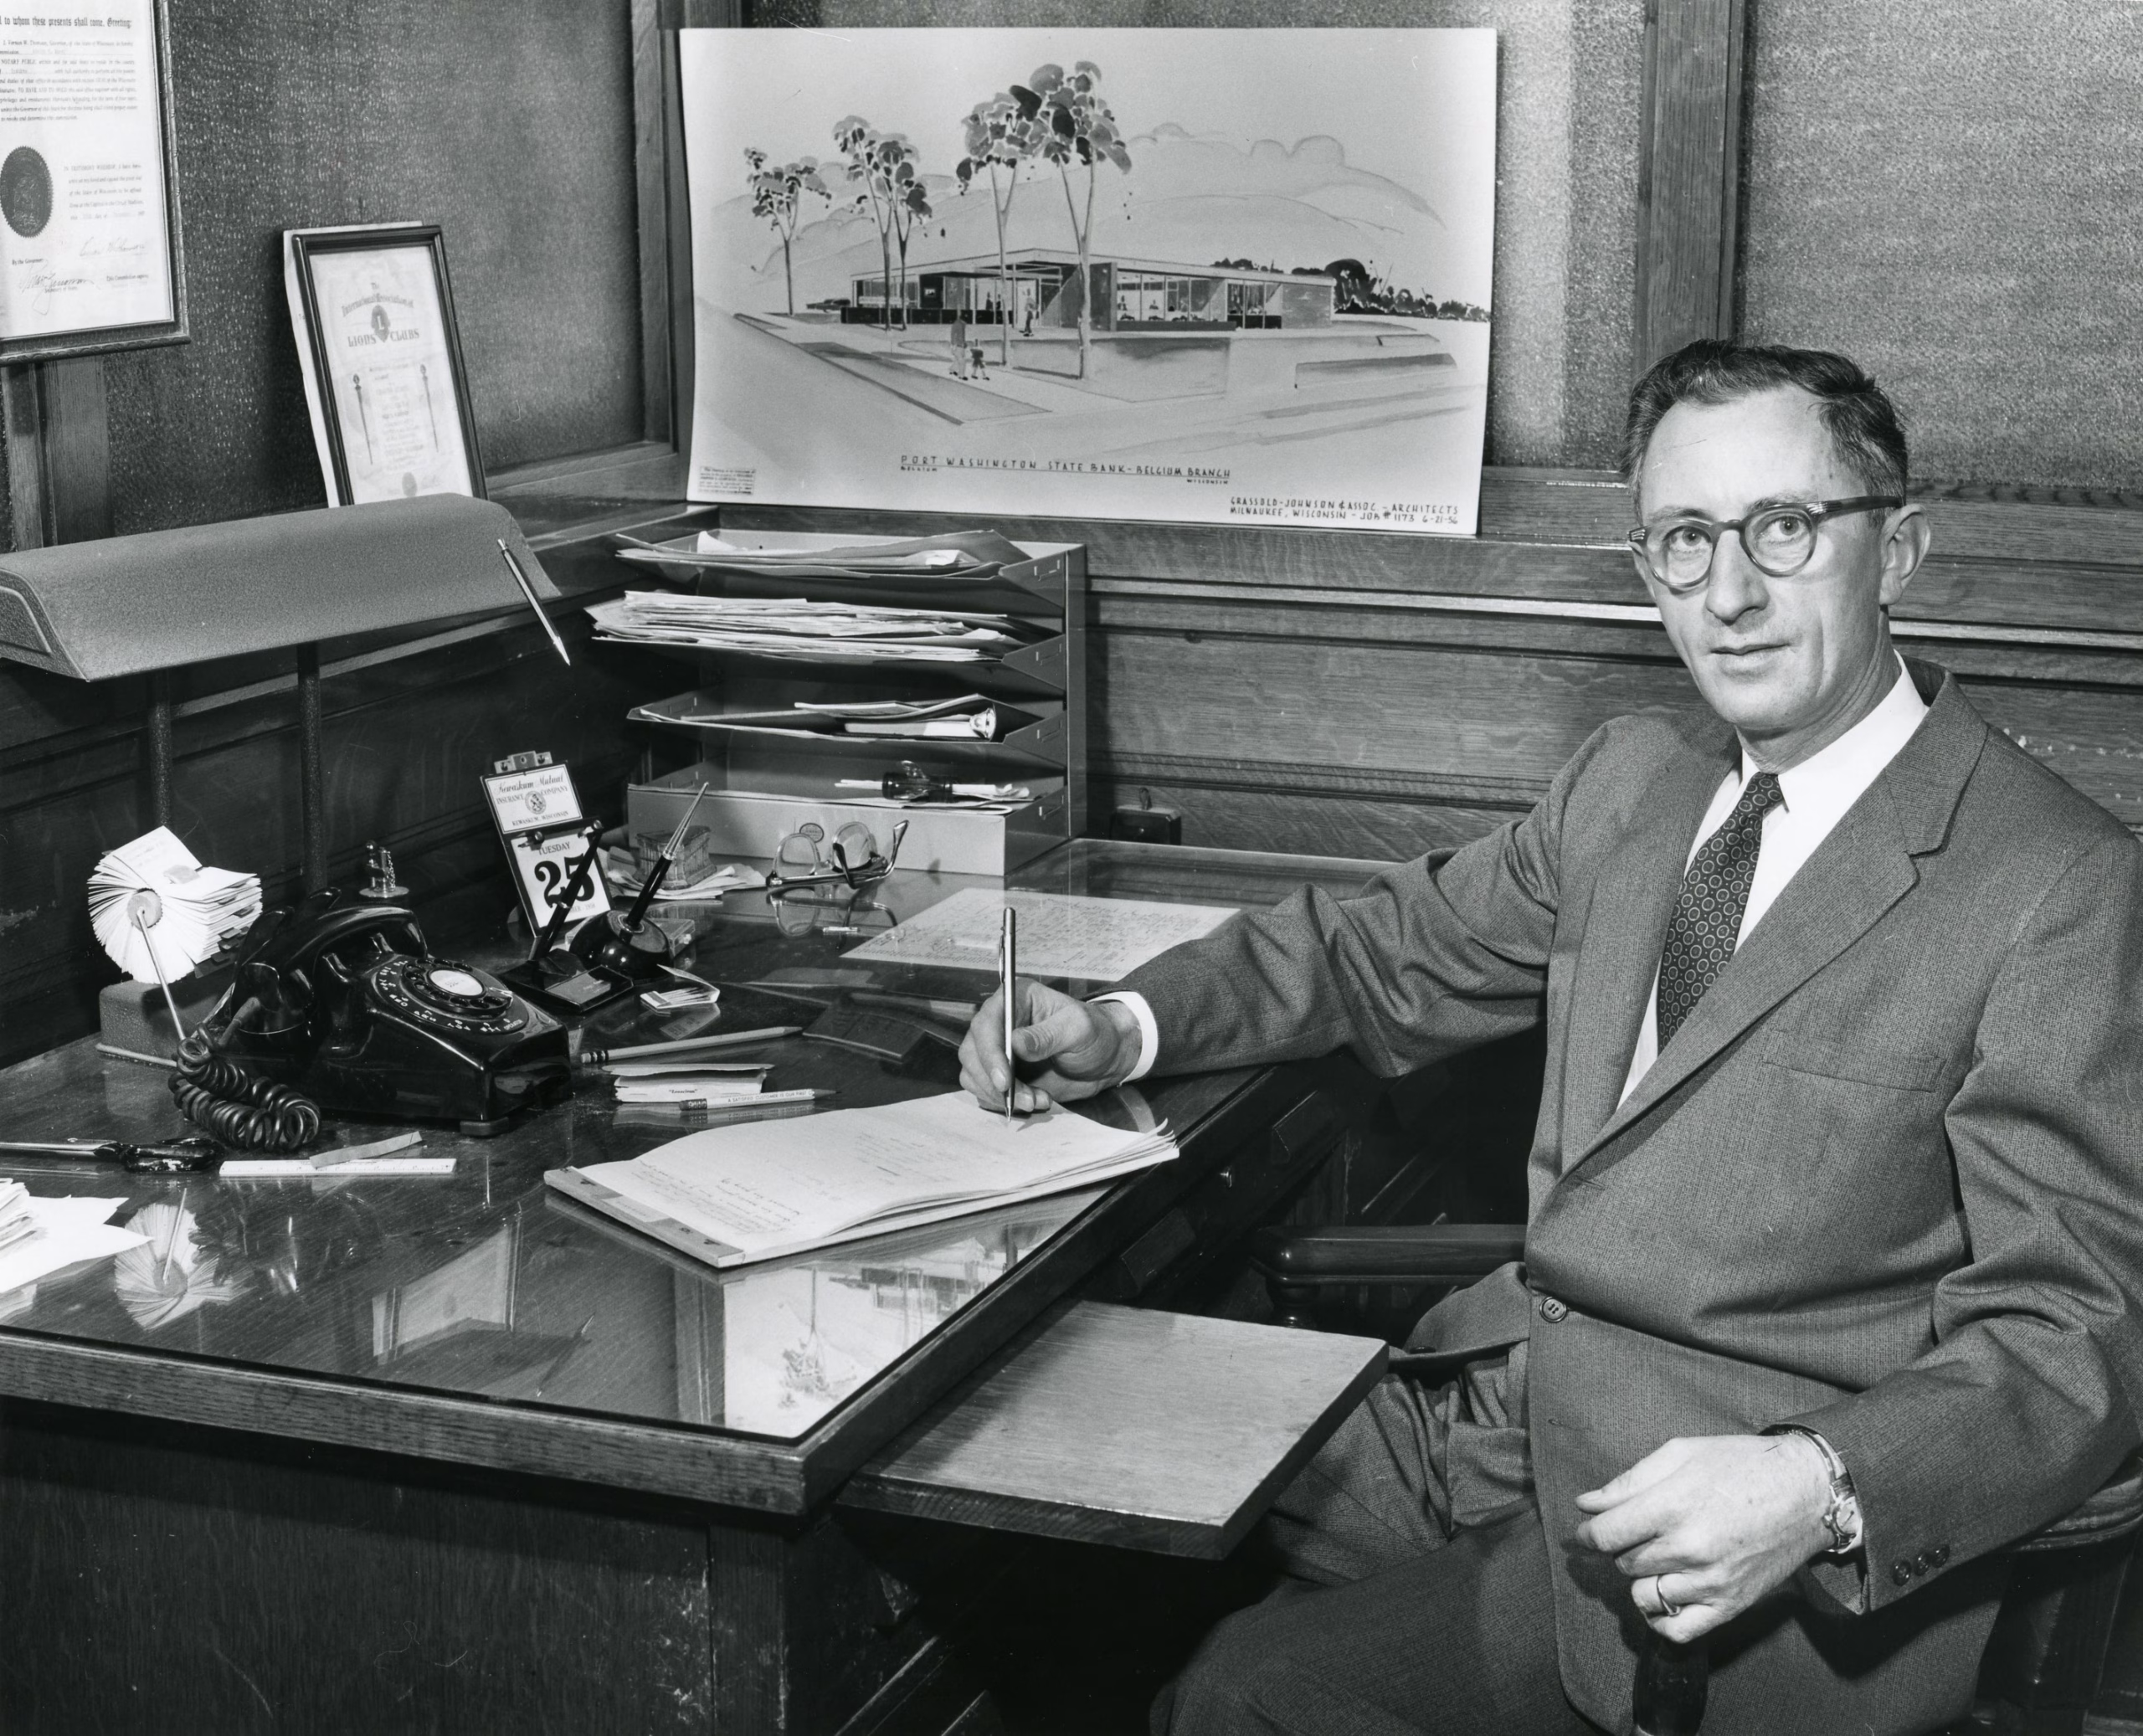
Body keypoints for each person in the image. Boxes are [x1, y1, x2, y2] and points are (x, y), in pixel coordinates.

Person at [958, 342, 2143, 1735]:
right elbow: (1379, 947)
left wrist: (1824, 1483)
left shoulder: (2056, 883)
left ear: (1899, 551)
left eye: (1783, 527)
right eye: (1683, 541)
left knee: (1238, 1698)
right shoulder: (1639, 780)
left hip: (1719, 1547)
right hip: (1506, 1414)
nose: (1732, 594)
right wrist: (1121, 1021)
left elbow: (2084, 1327)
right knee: (1043, 1494)